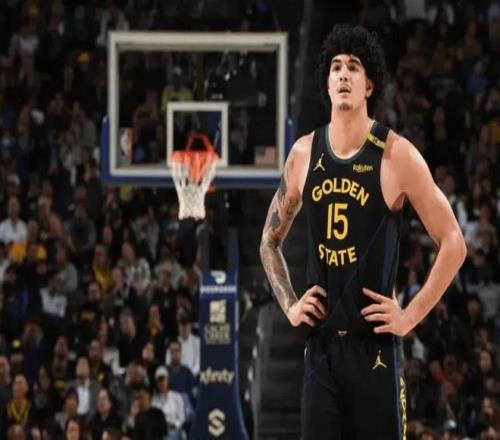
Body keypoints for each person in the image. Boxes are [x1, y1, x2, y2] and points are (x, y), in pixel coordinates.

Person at [259, 24, 467, 439]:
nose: (343, 74)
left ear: (369, 84)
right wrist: (290, 305)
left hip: (376, 349)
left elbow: (454, 243)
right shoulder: (303, 154)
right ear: (327, 82)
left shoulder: (396, 154)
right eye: (335, 67)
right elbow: (269, 240)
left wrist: (409, 316)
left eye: (353, 67)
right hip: (321, 350)